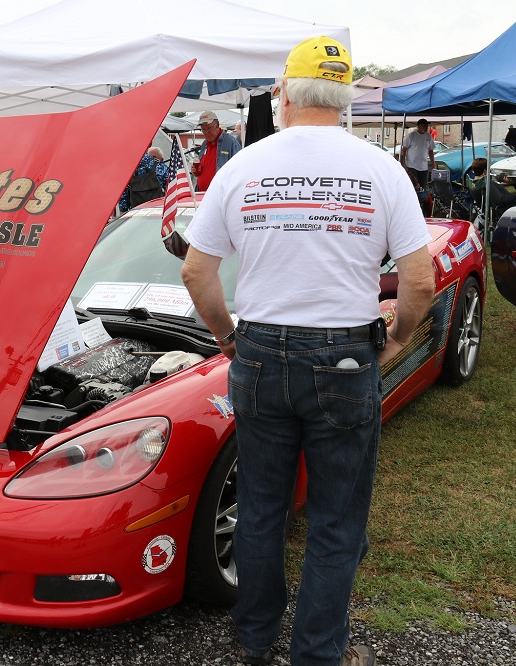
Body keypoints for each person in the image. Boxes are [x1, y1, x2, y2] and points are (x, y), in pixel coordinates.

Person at [181, 35, 435, 666]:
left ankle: (255, 635)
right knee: (335, 519)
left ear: (284, 94)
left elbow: (196, 272)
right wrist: (400, 336)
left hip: (261, 350)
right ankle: (319, 654)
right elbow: (421, 280)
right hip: (347, 356)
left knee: (262, 507)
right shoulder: (381, 168)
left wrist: (229, 339)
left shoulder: (243, 166)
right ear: (346, 99)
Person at [192, 110, 242, 191]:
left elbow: (239, 170)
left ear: (217, 125)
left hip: (220, 195)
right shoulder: (205, 143)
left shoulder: (231, 142)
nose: (206, 132)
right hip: (202, 194)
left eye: (209, 128)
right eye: (203, 129)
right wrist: (196, 170)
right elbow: (203, 167)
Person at [117, 148, 167, 213]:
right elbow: (171, 189)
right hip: (157, 214)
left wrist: (123, 212)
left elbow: (123, 199)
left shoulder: (127, 168)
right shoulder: (160, 166)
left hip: (135, 215)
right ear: (150, 144)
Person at [400, 118, 436, 189]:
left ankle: (421, 199)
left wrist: (433, 164)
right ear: (418, 126)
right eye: (423, 125)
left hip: (423, 167)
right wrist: (404, 163)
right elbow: (404, 150)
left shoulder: (428, 136)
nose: (425, 127)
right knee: (414, 186)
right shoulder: (411, 136)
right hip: (412, 166)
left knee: (423, 187)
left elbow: (430, 151)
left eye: (426, 126)